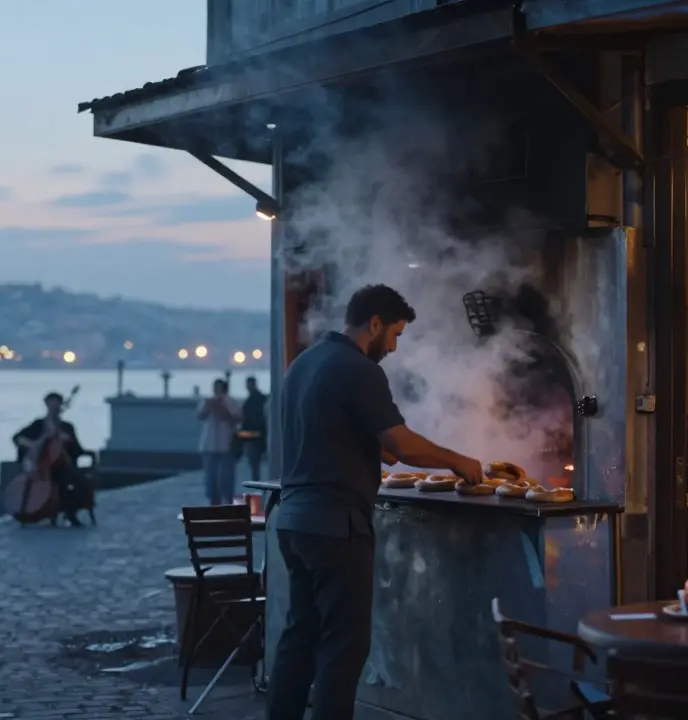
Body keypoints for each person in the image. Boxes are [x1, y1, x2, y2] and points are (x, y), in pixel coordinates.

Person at [266, 284, 484, 720]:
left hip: (293, 520)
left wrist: (384, 446)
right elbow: (402, 447)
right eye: (396, 335)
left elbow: (358, 440)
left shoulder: (304, 363)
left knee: (300, 637)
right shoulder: (358, 369)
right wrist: (460, 461)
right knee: (343, 646)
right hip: (336, 525)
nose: (395, 346)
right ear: (376, 324)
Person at [12, 392, 90, 527]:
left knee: (78, 480)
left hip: (62, 466)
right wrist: (32, 444)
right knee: (54, 480)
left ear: (60, 406)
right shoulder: (38, 424)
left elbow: (78, 450)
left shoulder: (67, 427)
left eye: (57, 403)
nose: (54, 406)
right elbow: (17, 437)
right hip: (40, 467)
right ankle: (32, 512)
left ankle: (71, 514)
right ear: (46, 405)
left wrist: (68, 441)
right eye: (51, 403)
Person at [197, 378, 242, 505]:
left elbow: (236, 418)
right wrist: (209, 406)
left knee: (226, 477)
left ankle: (227, 500)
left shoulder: (232, 402)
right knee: (210, 477)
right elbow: (200, 416)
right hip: (209, 445)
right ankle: (213, 500)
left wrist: (222, 407)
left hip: (226, 445)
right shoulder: (207, 401)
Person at [239, 376, 269, 484]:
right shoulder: (260, 398)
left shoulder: (253, 400)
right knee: (255, 462)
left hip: (255, 434)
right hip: (258, 434)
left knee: (254, 462)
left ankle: (257, 483)